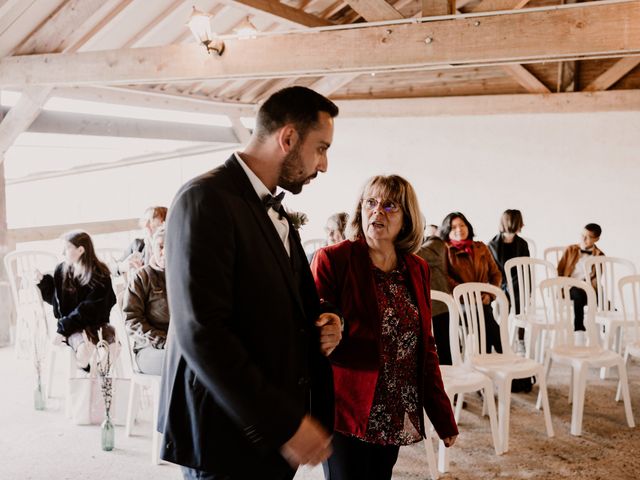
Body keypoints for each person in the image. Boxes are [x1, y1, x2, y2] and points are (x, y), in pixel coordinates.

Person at [159, 86, 343, 480]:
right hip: (227, 434)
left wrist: (326, 319)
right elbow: (201, 331)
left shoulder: (271, 207)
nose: (323, 165)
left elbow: (288, 299)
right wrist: (283, 423)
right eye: (321, 148)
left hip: (271, 439)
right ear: (288, 138)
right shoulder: (203, 199)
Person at [311, 175, 458, 480]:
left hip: (395, 406)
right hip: (346, 408)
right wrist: (330, 322)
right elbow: (314, 321)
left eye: (390, 205)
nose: (377, 211)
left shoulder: (416, 268)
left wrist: (442, 415)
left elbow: (424, 346)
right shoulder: (333, 259)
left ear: (406, 218)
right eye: (371, 202)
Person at [35, 230, 116, 369]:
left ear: (80, 250)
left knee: (113, 349)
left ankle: (98, 380)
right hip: (73, 326)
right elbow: (58, 304)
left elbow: (90, 309)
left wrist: (62, 329)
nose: (62, 252)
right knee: (84, 351)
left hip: (97, 324)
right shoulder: (62, 270)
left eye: (66, 248)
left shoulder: (100, 273)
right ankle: (86, 377)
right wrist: (43, 282)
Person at [440, 212, 503, 354]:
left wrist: (489, 294)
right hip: (460, 304)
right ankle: (505, 354)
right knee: (483, 315)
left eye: (462, 225)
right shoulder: (444, 250)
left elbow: (496, 274)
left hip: (484, 301)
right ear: (446, 231)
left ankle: (485, 360)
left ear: (468, 227)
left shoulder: (481, 247)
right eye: (453, 227)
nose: (459, 229)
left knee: (483, 315)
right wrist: (468, 296)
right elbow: (445, 279)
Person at [122, 226, 169, 375]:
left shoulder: (187, 275)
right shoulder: (142, 277)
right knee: (183, 364)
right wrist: (162, 341)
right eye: (160, 246)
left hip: (182, 346)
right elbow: (131, 320)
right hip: (149, 348)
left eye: (170, 246)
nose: (164, 252)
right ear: (152, 248)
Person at [488, 209, 530, 353]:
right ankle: (502, 341)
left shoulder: (522, 244)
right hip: (500, 285)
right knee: (502, 312)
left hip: (518, 284)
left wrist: (526, 290)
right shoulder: (492, 245)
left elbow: (526, 269)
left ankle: (521, 340)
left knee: (520, 309)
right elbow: (492, 271)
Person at [557, 223, 604, 346]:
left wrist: (593, 289)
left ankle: (606, 326)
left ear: (596, 239)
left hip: (588, 287)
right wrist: (561, 285)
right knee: (578, 294)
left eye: (588, 237)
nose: (583, 239)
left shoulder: (599, 256)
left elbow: (596, 278)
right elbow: (559, 270)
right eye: (582, 235)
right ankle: (579, 329)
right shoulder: (570, 249)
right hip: (569, 287)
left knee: (603, 300)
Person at [417, 224, 452, 365]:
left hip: (439, 307)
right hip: (422, 306)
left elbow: (419, 254)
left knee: (444, 350)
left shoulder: (436, 244)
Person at [113, 206, 167, 276]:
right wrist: (123, 267)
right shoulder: (137, 244)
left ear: (164, 223)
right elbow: (112, 269)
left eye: (152, 219)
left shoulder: (169, 248)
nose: (146, 225)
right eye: (145, 220)